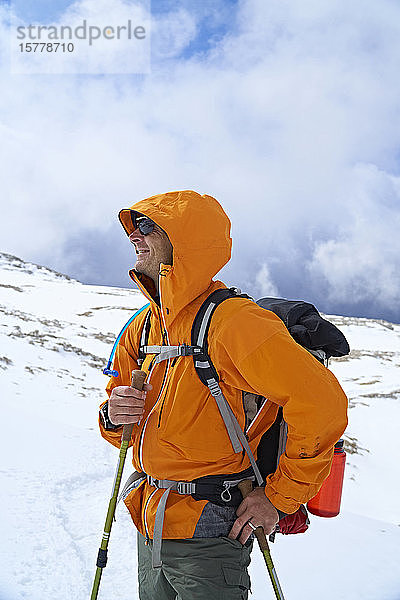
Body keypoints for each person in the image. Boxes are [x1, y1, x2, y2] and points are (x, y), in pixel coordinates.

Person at [99, 189, 348, 600]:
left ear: (185, 240)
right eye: (133, 228)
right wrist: (113, 415)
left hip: (212, 530)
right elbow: (120, 429)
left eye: (146, 227)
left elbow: (322, 405)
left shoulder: (235, 323)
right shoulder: (144, 327)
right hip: (149, 526)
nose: (134, 237)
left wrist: (278, 498)